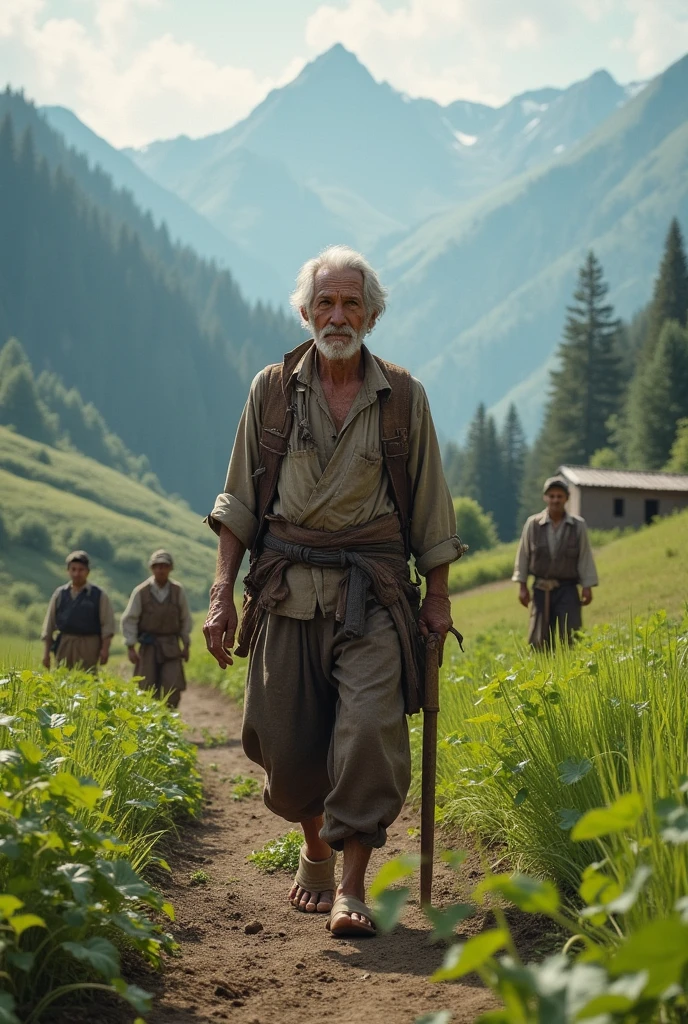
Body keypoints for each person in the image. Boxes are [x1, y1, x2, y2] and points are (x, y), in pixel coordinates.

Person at [203, 244, 465, 938]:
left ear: (372, 315)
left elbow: (434, 512)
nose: (338, 314)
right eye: (326, 301)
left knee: (369, 734)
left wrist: (435, 600)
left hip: (373, 594)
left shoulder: (403, 399)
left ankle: (351, 885)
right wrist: (221, 593)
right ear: (304, 310)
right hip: (286, 588)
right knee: (285, 755)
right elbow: (237, 503)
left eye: (352, 302)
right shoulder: (270, 390)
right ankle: (314, 846)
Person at [513, 475, 599, 647]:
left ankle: (571, 669)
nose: (555, 500)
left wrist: (587, 587)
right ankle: (543, 670)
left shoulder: (578, 525)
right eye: (551, 496)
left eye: (559, 496)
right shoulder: (533, 524)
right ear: (545, 498)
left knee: (572, 636)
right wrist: (522, 586)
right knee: (539, 640)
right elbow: (523, 555)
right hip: (540, 588)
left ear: (566, 498)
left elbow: (584, 557)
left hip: (568, 589)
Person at [121, 550, 192, 708]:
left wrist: (186, 645)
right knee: (146, 687)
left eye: (164, 566)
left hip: (172, 646)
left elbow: (185, 619)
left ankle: (170, 724)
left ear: (170, 568)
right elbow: (130, 619)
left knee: (172, 686)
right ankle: (150, 726)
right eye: (157, 566)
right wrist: (131, 646)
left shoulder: (177, 591)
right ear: (151, 568)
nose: (160, 570)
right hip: (148, 646)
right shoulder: (141, 592)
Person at [41, 550, 115, 670]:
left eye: (81, 570)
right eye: (73, 569)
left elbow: (107, 625)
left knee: (87, 680)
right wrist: (46, 653)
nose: (76, 573)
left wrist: (105, 649)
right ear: (68, 571)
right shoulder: (60, 594)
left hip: (89, 645)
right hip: (65, 644)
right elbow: (49, 624)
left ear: (88, 572)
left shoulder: (98, 595)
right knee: (62, 678)